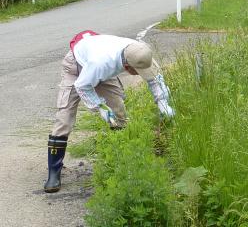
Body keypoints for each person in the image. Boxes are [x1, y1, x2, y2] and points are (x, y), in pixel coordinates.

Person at [44, 30, 175, 193]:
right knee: (65, 118)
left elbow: (155, 81)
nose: (139, 74)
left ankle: (120, 160)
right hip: (76, 67)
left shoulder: (140, 53)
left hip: (103, 70)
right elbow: (82, 86)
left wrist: (163, 103)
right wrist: (100, 107)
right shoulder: (101, 63)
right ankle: (54, 173)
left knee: (119, 111)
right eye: (136, 72)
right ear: (127, 66)